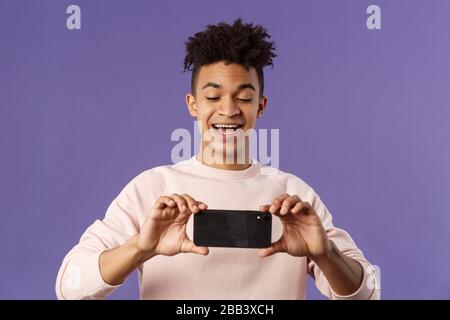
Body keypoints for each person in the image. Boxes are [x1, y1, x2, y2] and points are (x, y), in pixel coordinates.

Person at [56, 18, 380, 300]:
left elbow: (367, 293)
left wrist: (324, 254)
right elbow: (70, 287)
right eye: (213, 97)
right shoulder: (153, 189)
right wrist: (140, 248)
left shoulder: (293, 196)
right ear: (192, 104)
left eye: (244, 97)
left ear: (261, 106)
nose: (228, 110)